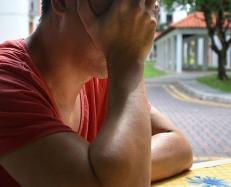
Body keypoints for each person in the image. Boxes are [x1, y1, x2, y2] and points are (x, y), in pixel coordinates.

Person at [0, 0, 193, 186]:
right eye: (120, 3)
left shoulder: (101, 78)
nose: (138, 13)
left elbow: (177, 143)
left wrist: (122, 170)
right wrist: (129, 58)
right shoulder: (7, 82)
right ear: (62, 2)